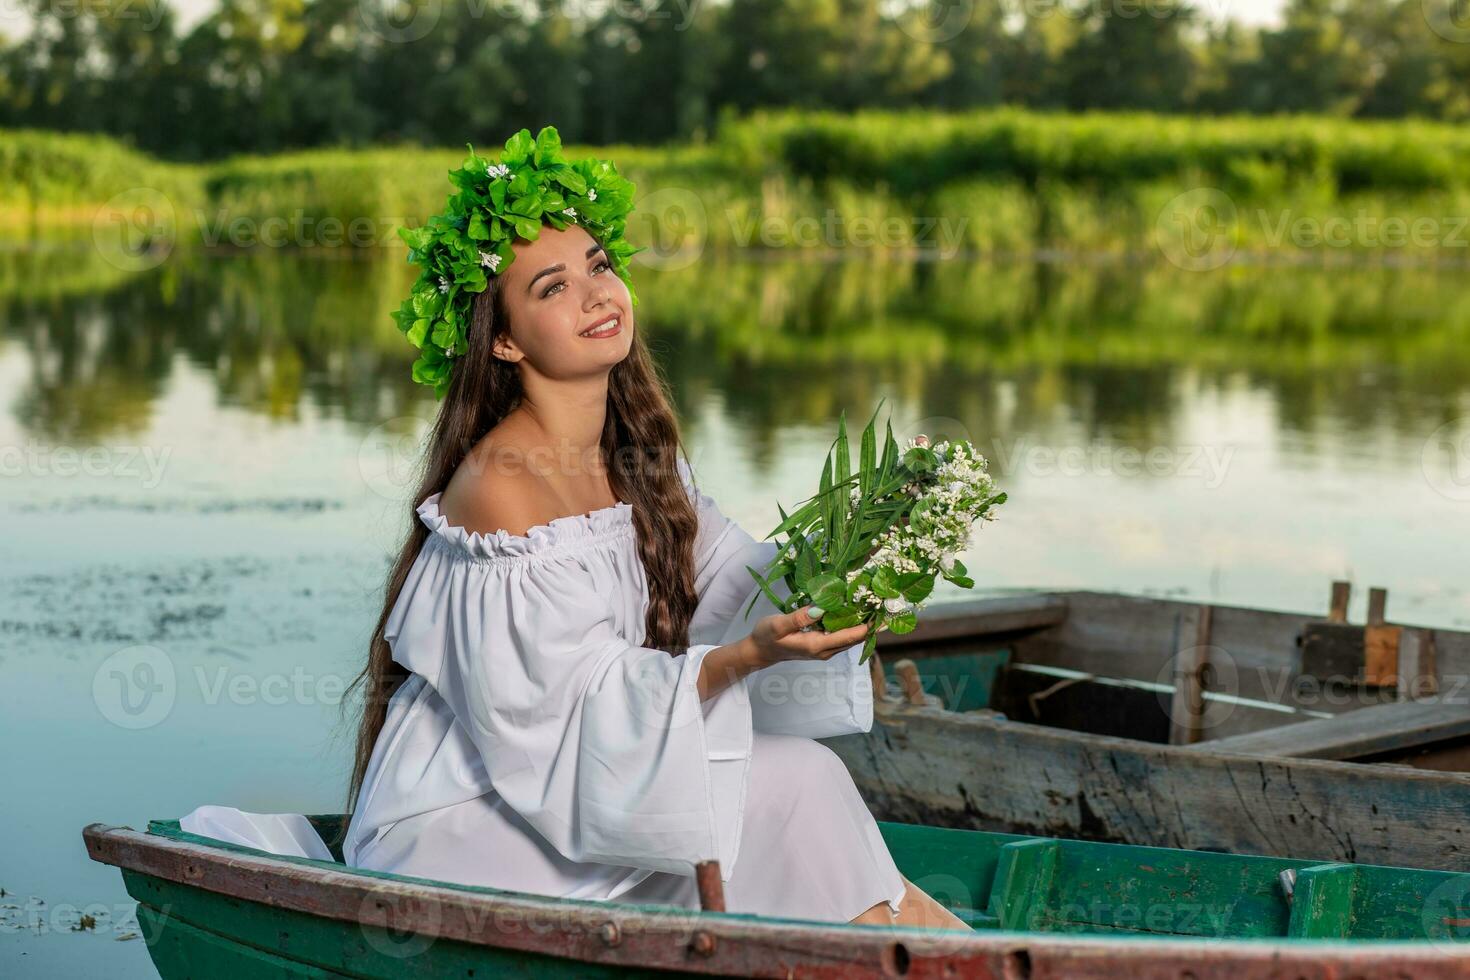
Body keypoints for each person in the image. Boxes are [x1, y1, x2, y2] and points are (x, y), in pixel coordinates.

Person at [336, 128, 969, 931]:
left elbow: (737, 582)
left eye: (600, 266)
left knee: (803, 799)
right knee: (796, 785)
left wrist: (871, 531)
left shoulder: (637, 458)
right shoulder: (498, 486)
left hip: (594, 783)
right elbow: (563, 712)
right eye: (552, 288)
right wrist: (745, 658)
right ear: (500, 339)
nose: (597, 294)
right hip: (476, 817)